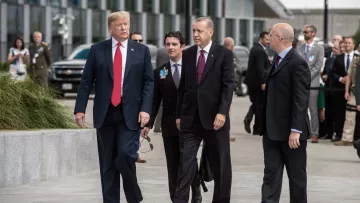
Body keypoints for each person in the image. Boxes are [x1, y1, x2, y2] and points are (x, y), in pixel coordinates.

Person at [74, 11, 153, 203]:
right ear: (110, 28)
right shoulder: (97, 50)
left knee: (125, 154)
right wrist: (80, 109)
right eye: (120, 25)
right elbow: (86, 81)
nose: (124, 28)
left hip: (131, 113)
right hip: (105, 113)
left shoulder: (141, 51)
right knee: (107, 163)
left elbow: (148, 82)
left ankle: (133, 196)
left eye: (126, 24)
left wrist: (145, 109)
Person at [174, 16, 235, 203]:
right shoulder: (189, 53)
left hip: (216, 120)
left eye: (199, 31)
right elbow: (183, 86)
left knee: (221, 166)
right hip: (190, 119)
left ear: (210, 32)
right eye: (193, 31)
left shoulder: (224, 54)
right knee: (185, 165)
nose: (195, 34)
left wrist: (222, 112)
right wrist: (179, 114)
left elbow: (228, 85)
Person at [141, 31, 202, 203]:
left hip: (190, 125)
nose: (170, 47)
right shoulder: (160, 72)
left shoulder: (193, 69)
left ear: (182, 46)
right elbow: (155, 100)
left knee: (188, 162)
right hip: (169, 126)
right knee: (173, 166)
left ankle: (196, 190)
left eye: (174, 44)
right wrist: (149, 124)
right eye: (168, 44)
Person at [261, 23, 311, 203]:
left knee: (296, 180)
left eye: (271, 35)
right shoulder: (275, 60)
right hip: (272, 132)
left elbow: (300, 99)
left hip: (292, 135)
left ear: (279, 38)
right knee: (270, 177)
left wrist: (296, 130)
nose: (268, 38)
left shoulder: (298, 63)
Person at [296, 25, 324, 143]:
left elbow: (317, 66)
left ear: (313, 33)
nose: (304, 34)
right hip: (301, 83)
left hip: (312, 82)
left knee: (313, 109)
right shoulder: (300, 48)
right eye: (304, 32)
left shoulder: (319, 48)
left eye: (306, 32)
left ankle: (314, 133)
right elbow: (298, 63)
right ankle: (301, 131)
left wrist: (307, 77)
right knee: (300, 108)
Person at [243, 31, 271, 135]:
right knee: (260, 105)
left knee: (256, 103)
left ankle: (249, 119)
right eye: (267, 39)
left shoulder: (255, 48)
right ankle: (257, 128)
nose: (268, 42)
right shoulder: (259, 51)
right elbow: (260, 68)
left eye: (269, 40)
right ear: (261, 38)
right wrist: (263, 82)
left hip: (252, 82)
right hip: (257, 83)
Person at [331, 37, 356, 142]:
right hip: (340, 89)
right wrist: (341, 79)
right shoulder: (338, 58)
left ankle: (355, 136)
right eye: (345, 43)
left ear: (353, 45)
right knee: (339, 112)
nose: (347, 45)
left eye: (349, 43)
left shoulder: (357, 57)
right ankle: (339, 134)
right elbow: (333, 72)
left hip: (354, 89)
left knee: (354, 113)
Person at [320, 42, 342, 139]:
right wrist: (324, 76)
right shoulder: (329, 60)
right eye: (333, 48)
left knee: (337, 113)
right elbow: (325, 72)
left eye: (336, 48)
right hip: (328, 88)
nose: (334, 49)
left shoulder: (341, 60)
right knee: (328, 112)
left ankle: (337, 133)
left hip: (338, 89)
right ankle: (328, 133)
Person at [222, 37, 236, 142]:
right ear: (231, 46)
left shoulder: (219, 53)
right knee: (226, 112)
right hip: (226, 90)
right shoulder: (229, 55)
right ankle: (225, 135)